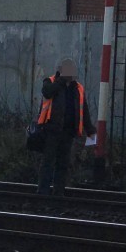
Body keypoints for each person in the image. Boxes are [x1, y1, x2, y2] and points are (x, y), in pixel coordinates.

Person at [36, 57, 95, 196]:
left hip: (68, 132)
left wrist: (90, 129)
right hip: (52, 130)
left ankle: (58, 192)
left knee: (63, 164)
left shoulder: (77, 88)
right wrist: (61, 80)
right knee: (48, 162)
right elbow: (47, 92)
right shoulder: (50, 82)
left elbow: (83, 110)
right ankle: (43, 191)